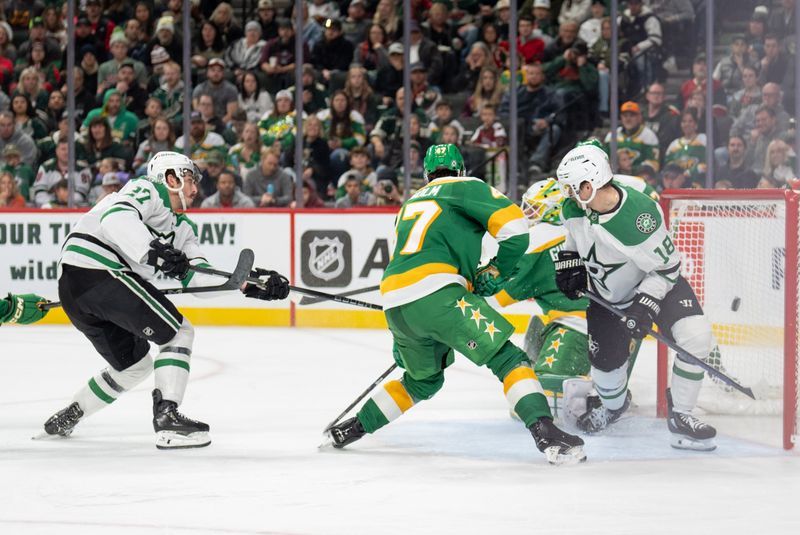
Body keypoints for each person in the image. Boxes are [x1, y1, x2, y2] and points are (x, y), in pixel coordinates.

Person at [323, 144, 586, 465]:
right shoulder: (466, 187)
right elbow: (516, 229)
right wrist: (495, 270)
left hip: (395, 301)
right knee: (509, 359)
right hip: (440, 293)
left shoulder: (408, 204)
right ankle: (547, 435)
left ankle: (354, 427)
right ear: (460, 170)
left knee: (422, 380)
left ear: (426, 175)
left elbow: (405, 261)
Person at [41, 151, 290, 448]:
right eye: (189, 180)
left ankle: (73, 412)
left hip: (78, 291)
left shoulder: (183, 229)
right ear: (169, 178)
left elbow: (198, 278)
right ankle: (167, 416)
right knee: (179, 333)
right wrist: (153, 251)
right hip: (98, 271)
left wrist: (248, 286)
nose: (196, 189)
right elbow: (115, 217)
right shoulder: (147, 189)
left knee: (134, 366)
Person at [554, 144, 717, 450]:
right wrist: (568, 262)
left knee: (696, 337)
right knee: (608, 384)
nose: (567, 194)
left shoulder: (640, 216)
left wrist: (647, 302)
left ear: (589, 185)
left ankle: (681, 414)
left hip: (658, 287)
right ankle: (614, 406)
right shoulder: (573, 209)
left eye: (572, 188)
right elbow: (572, 242)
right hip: (608, 300)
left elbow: (668, 267)